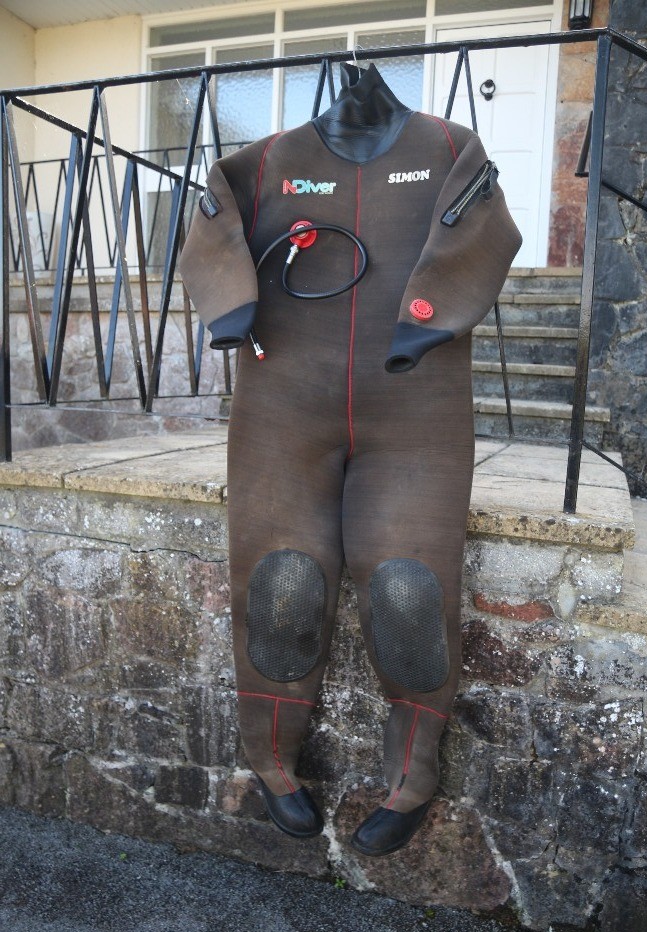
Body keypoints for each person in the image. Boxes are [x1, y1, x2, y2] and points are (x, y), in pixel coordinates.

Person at [179, 62, 521, 856]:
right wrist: (230, 310)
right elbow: (211, 216)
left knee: (408, 586)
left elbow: (488, 227)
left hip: (417, 405)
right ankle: (270, 759)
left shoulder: (447, 145)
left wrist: (427, 318)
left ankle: (414, 769)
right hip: (281, 405)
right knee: (282, 579)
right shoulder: (264, 162)